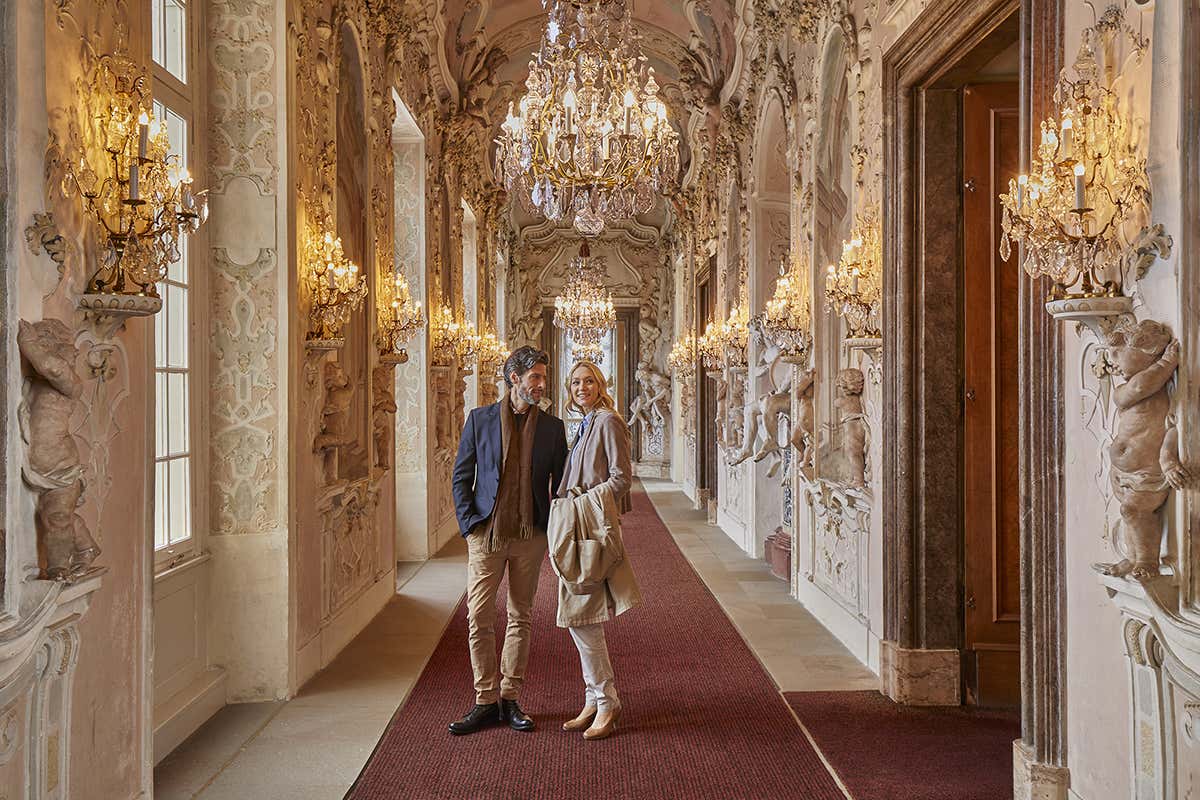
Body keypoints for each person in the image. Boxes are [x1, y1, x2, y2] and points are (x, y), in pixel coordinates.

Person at [449, 346, 569, 734]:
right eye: (535, 377)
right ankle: (485, 699)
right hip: (486, 533)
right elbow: (461, 476)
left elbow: (562, 483)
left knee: (521, 615)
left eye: (542, 378)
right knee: (478, 617)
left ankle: (510, 697)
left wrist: (554, 527)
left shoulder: (553, 427)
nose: (541, 384)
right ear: (513, 378)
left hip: (530, 535)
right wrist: (470, 525)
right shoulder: (479, 420)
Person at [557, 360, 642, 740]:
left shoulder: (607, 420)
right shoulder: (586, 422)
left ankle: (606, 702)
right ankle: (595, 698)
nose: (581, 387)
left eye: (589, 381)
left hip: (590, 525)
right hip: (576, 524)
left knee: (582, 616)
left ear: (600, 384)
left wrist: (585, 502)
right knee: (579, 617)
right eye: (575, 382)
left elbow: (622, 477)